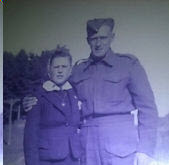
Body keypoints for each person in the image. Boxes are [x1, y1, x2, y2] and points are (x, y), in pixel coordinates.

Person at [23, 18, 158, 165]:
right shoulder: (78, 70)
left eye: (103, 38)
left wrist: (146, 150)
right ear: (88, 40)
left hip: (121, 144)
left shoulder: (128, 65)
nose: (98, 43)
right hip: (87, 145)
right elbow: (55, 86)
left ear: (112, 38)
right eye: (94, 39)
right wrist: (29, 99)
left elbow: (148, 108)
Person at [24, 47, 81, 165]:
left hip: (72, 158)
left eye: (64, 67)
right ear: (49, 70)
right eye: (56, 67)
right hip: (48, 160)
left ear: (70, 70)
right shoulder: (38, 96)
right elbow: (31, 137)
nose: (60, 70)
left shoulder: (74, 92)